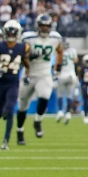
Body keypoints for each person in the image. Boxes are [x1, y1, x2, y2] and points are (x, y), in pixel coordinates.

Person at [15, 14, 63, 144]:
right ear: (37, 26)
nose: (44, 29)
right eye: (42, 26)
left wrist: (57, 68)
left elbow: (60, 51)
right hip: (29, 74)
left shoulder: (55, 38)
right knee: (23, 106)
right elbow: (19, 54)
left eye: (47, 26)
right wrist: (30, 56)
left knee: (44, 95)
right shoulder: (28, 38)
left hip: (44, 74)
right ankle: (20, 131)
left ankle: (38, 120)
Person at [0, 21, 30, 150]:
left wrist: (28, 75)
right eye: (9, 32)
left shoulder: (23, 47)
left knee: (11, 110)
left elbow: (27, 64)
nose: (11, 34)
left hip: (12, 82)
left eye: (13, 32)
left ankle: (6, 140)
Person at [55, 37, 79, 124]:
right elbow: (76, 61)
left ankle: (61, 111)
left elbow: (57, 63)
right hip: (71, 76)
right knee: (69, 96)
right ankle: (68, 113)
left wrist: (55, 75)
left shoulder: (59, 52)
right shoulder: (73, 51)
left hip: (62, 75)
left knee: (60, 95)